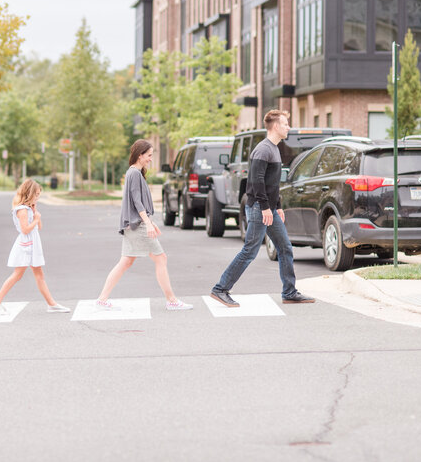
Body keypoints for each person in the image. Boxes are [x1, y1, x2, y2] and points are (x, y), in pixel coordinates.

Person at [210, 110, 315, 307]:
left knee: (285, 248)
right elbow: (256, 182)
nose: (288, 127)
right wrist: (267, 208)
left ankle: (289, 292)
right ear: (276, 126)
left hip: (268, 209)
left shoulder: (275, 148)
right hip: (260, 209)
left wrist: (278, 206)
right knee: (250, 251)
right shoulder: (263, 150)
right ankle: (220, 289)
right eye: (285, 124)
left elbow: (271, 184)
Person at [95, 139, 193, 311]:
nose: (150, 158)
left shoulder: (135, 173)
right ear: (139, 155)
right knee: (161, 258)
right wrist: (147, 223)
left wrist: (150, 222)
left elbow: (137, 203)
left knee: (125, 262)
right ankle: (171, 300)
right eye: (148, 155)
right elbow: (137, 202)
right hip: (137, 225)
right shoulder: (134, 173)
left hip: (133, 224)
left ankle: (102, 299)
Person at [0, 179, 70, 314]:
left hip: (33, 244)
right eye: (37, 194)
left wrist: (36, 214)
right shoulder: (22, 210)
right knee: (17, 275)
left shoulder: (29, 209)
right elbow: (25, 230)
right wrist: (35, 219)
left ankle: (52, 304)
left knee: (39, 275)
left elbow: (39, 227)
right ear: (30, 193)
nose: (38, 197)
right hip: (25, 246)